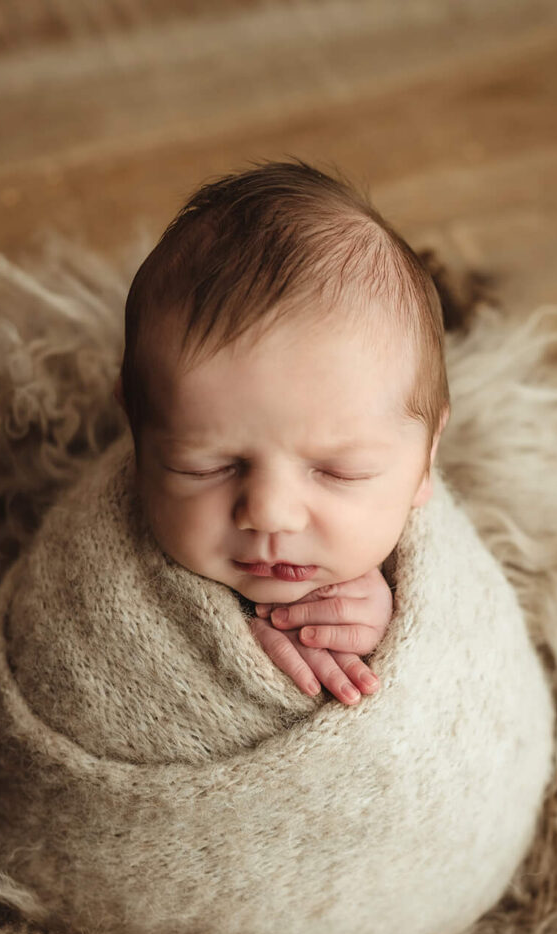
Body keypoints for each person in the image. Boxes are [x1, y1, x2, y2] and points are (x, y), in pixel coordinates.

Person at [116, 159, 448, 707]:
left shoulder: (429, 556)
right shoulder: (109, 572)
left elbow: (462, 660)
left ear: (426, 459)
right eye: (208, 467)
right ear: (136, 431)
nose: (270, 513)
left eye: (339, 472)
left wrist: (390, 621)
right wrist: (224, 648)